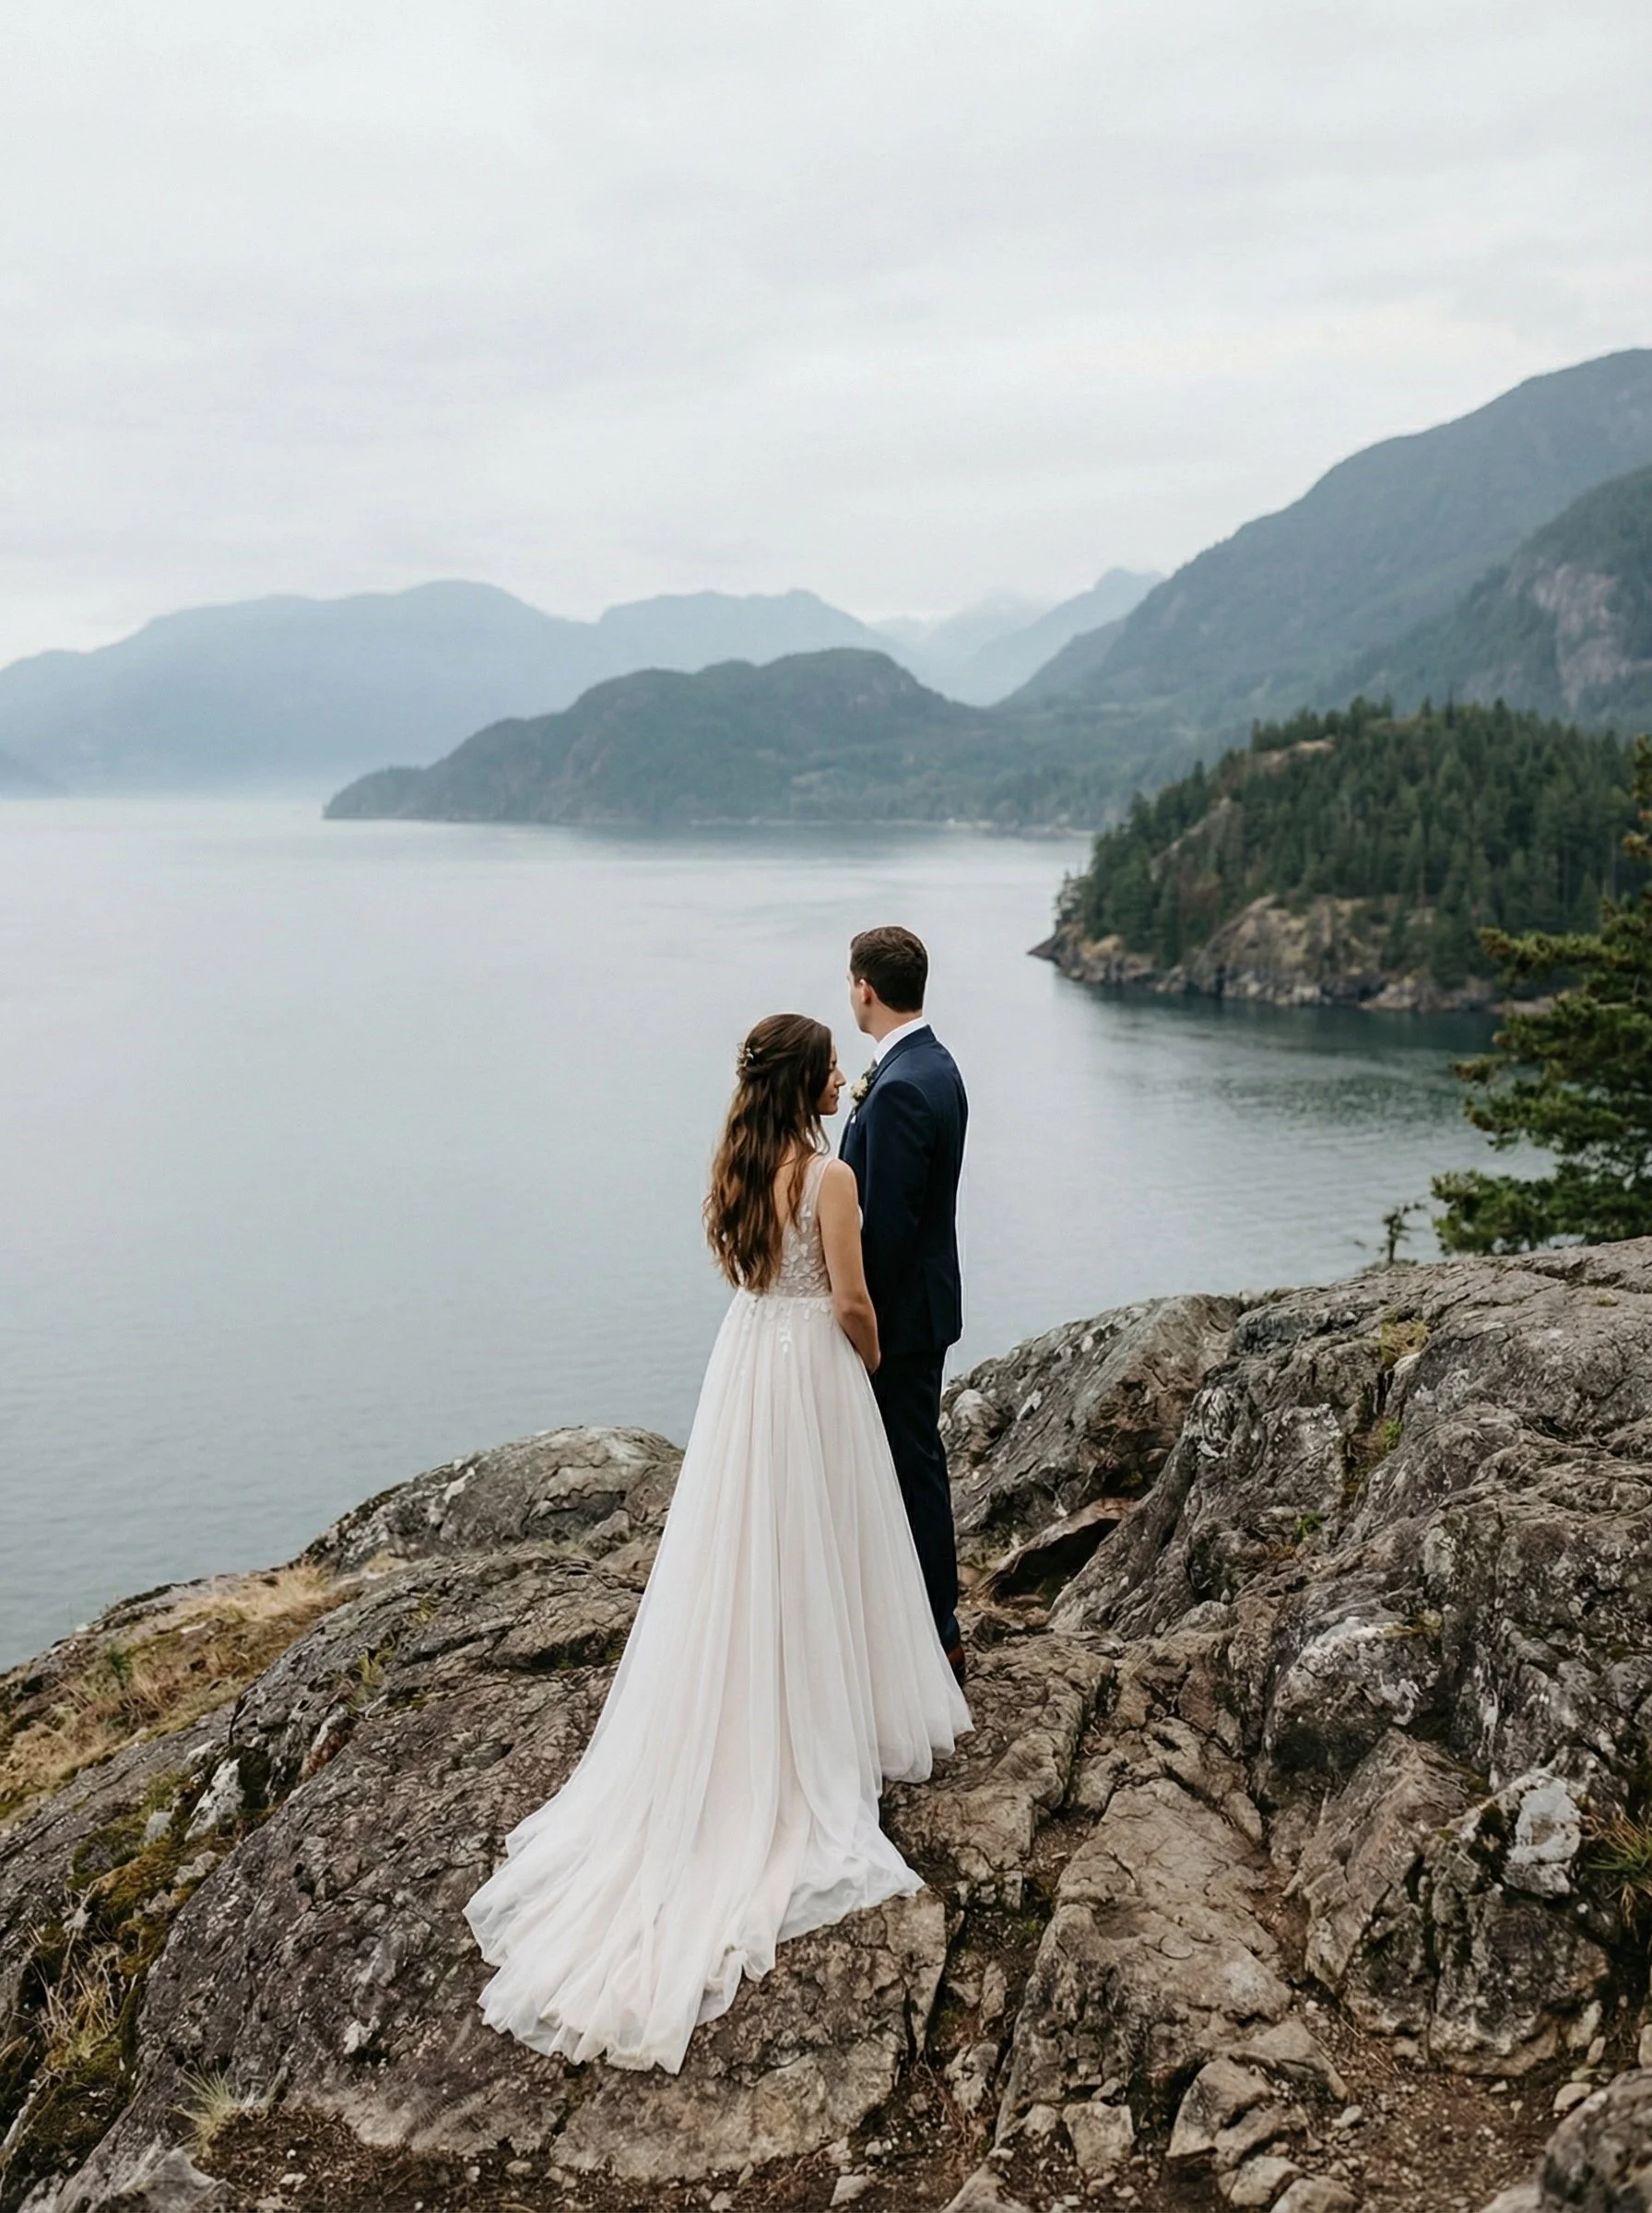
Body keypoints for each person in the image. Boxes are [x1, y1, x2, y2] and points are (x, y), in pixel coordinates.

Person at [463, 1012, 969, 2075]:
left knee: (747, 1544)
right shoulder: (828, 1179)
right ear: (807, 1082)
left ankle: (754, 1701)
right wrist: (870, 1367)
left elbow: (752, 1280)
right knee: (824, 1538)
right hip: (813, 1373)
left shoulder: (741, 1166)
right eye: (832, 1066)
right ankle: (822, 1717)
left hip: (745, 1368)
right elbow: (852, 1299)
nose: (846, 1077)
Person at [839, 927, 969, 1686]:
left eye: (848, 982)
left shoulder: (899, 1089)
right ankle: (921, 1624)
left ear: (865, 988)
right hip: (924, 1304)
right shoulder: (932, 1064)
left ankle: (937, 1631)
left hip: (901, 1318)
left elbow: (885, 1228)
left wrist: (860, 1327)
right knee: (910, 1462)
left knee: (911, 1468)